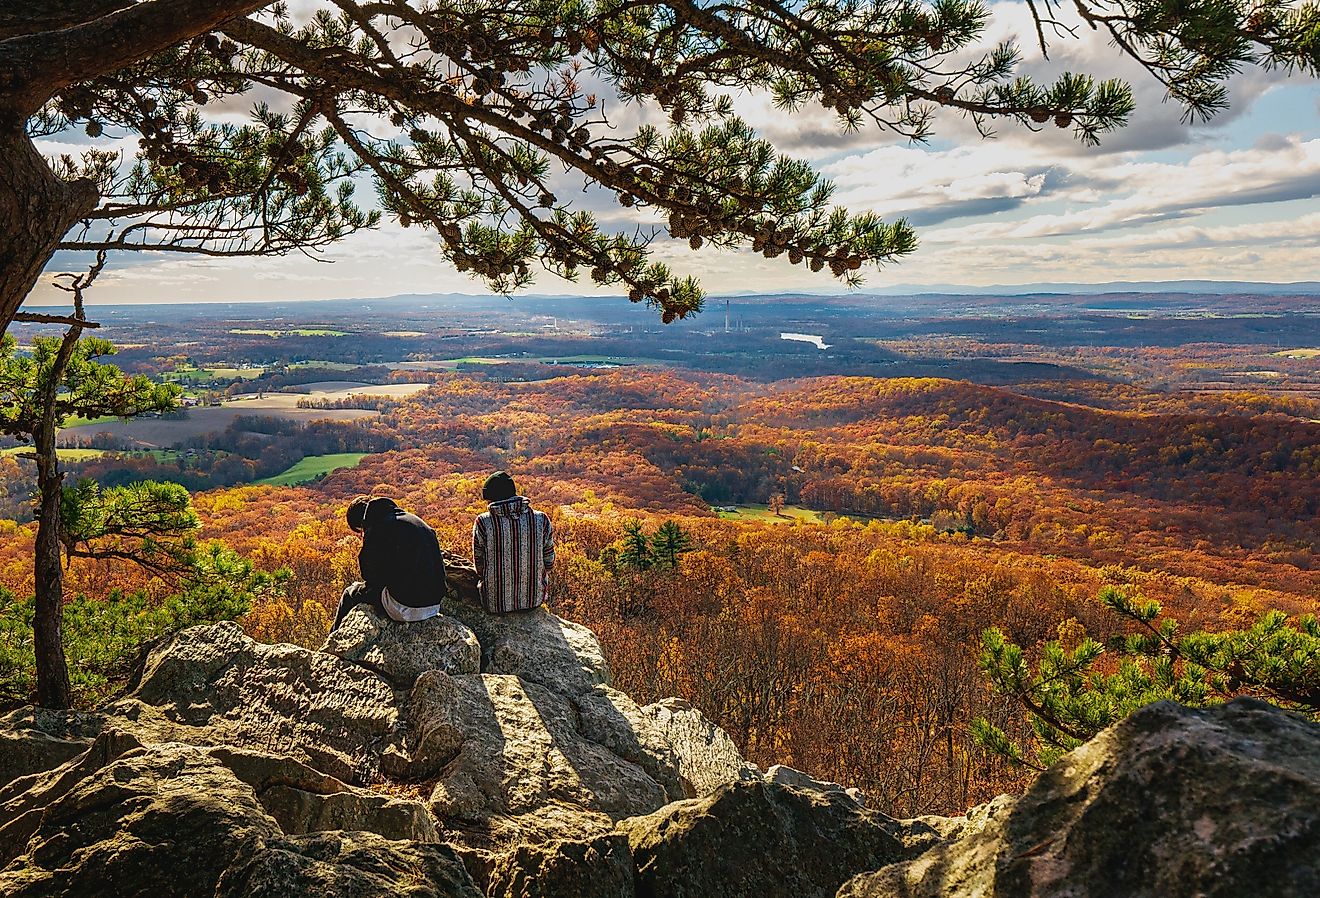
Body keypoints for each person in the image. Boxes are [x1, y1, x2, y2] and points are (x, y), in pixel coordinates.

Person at [333, 495, 448, 630]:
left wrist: (368, 538)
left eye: (361, 531)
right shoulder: (412, 521)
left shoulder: (379, 527)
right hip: (434, 604)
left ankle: (332, 643)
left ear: (363, 524)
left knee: (349, 594)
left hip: (406, 607)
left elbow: (369, 575)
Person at [472, 471, 555, 613]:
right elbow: (549, 562)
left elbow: (479, 565)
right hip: (533, 601)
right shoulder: (541, 519)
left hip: (495, 604)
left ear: (491, 498)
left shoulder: (483, 522)